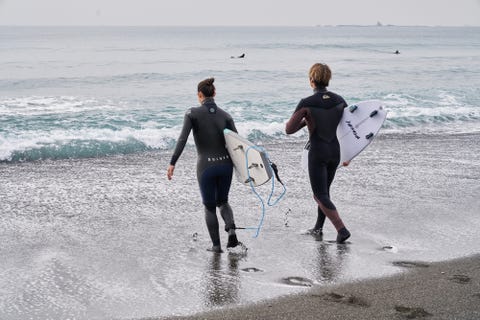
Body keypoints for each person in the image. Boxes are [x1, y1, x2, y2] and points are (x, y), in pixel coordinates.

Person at [167, 78, 240, 253]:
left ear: (200, 95)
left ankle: (216, 246)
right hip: (226, 165)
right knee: (223, 201)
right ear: (214, 93)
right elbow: (237, 144)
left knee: (209, 206)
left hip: (206, 167)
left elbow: (182, 139)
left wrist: (172, 162)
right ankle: (231, 230)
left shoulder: (192, 114)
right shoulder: (226, 116)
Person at [285, 63, 351, 243]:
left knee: (319, 195)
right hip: (335, 151)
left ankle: (342, 229)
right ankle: (318, 227)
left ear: (311, 80)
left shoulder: (307, 103)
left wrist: (305, 122)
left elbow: (289, 129)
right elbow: (349, 128)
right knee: (325, 193)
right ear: (327, 79)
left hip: (318, 152)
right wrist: (349, 155)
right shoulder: (340, 100)